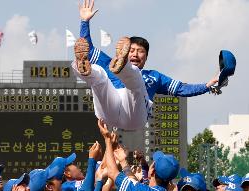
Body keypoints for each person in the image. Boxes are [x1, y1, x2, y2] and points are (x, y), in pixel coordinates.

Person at [72, 0, 219, 131]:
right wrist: (84, 21)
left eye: (140, 51)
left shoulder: (154, 76)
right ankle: (81, 68)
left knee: (135, 77)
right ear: (125, 54)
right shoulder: (110, 63)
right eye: (131, 50)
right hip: (109, 111)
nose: (135, 54)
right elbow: (88, 50)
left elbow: (181, 89)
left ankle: (122, 68)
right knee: (98, 74)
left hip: (135, 116)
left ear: (146, 57)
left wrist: (206, 86)